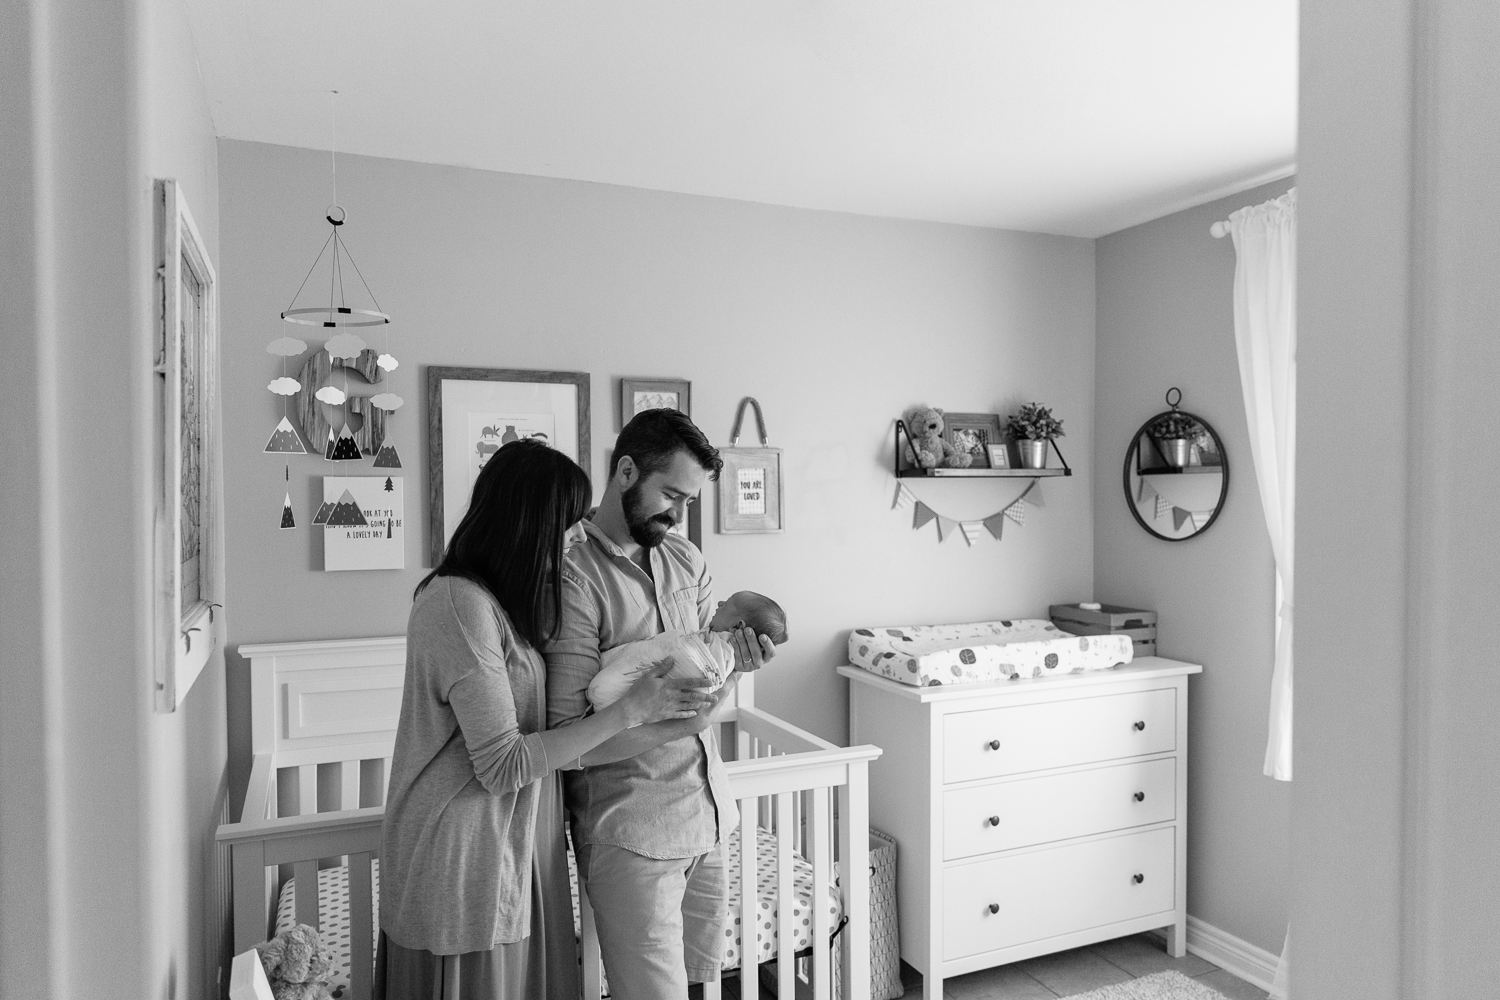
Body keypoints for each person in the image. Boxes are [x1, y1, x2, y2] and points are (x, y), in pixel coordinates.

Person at [376, 439, 716, 1000]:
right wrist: (632, 711)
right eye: (569, 521)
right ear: (529, 521)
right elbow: (504, 762)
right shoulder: (457, 604)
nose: (578, 535)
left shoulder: (501, 602)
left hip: (519, 841)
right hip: (467, 848)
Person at [545, 409, 779, 1000]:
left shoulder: (686, 560)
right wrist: (686, 713)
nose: (679, 515)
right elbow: (570, 740)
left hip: (708, 815)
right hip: (632, 829)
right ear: (626, 472)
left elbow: (701, 675)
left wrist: (735, 667)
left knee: (704, 988)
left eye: (689, 501)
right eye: (671, 495)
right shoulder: (573, 577)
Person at [586, 591, 789, 712]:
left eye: (726, 604)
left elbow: (704, 677)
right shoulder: (712, 641)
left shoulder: (721, 652)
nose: (718, 604)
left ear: (738, 625)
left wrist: (736, 670)